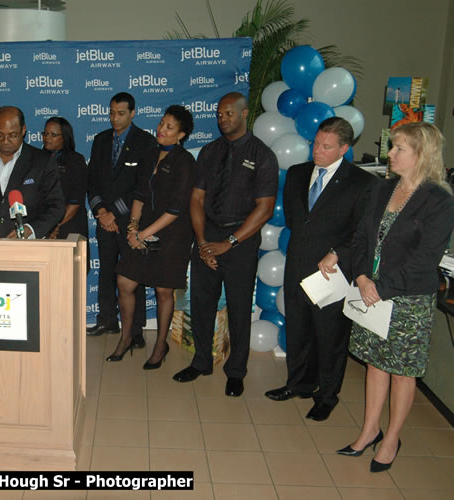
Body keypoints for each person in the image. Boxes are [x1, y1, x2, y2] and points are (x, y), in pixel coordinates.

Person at [336, 122, 454, 472]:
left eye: (399, 148)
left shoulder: (439, 201)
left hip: (407, 299)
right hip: (370, 288)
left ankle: (392, 439)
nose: (390, 154)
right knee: (375, 364)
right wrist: (360, 276)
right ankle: (370, 429)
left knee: (402, 372)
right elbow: (360, 239)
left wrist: (379, 288)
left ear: (422, 154)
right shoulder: (381, 189)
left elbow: (424, 260)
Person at [265, 117, 378, 421]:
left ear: (344, 148)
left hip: (333, 273)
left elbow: (364, 232)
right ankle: (298, 383)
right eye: (315, 143)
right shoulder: (298, 174)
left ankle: (327, 395)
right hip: (298, 264)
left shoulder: (363, 183)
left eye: (326, 147)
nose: (317, 150)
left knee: (330, 336)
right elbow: (293, 219)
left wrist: (337, 253)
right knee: (298, 329)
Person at [173, 92, 278, 398]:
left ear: (245, 115)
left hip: (241, 240)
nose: (223, 119)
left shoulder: (262, 155)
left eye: (229, 114)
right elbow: (197, 198)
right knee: (201, 303)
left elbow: (265, 208)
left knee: (239, 306)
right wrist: (204, 241)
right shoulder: (208, 152)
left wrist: (228, 243)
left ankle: (236, 371)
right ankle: (202, 360)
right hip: (207, 236)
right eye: (219, 115)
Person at [108, 105, 196, 369]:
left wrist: (144, 233)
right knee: (124, 281)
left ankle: (160, 345)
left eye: (169, 127)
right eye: (161, 123)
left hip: (172, 235)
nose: (161, 129)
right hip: (143, 229)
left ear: (181, 135)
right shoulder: (149, 155)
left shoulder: (185, 162)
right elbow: (139, 195)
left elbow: (176, 209)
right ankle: (126, 338)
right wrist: (133, 228)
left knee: (163, 290)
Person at [86, 92, 157, 346]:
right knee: (105, 270)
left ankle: (135, 329)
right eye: (112, 113)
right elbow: (91, 180)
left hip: (131, 222)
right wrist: (101, 212)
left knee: (132, 273)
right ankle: (107, 319)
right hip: (104, 219)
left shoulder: (146, 142)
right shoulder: (101, 140)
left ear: (133, 113)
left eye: (121, 113)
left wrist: (113, 213)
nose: (115, 118)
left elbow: (143, 185)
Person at [0, 106, 64, 239]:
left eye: (12, 135)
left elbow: (56, 206)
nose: (5, 141)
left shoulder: (42, 161)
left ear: (23, 130)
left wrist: (31, 229)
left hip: (27, 248)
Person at [42, 116, 88, 241]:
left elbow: (76, 200)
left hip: (69, 224)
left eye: (53, 134)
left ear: (64, 137)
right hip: (43, 225)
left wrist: (56, 225)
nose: (47, 138)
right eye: (45, 133)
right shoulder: (37, 159)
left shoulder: (76, 160)